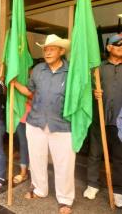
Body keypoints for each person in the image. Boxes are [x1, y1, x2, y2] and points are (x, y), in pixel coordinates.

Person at [13, 34, 74, 214]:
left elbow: (79, 95)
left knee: (64, 163)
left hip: (62, 125)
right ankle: (40, 189)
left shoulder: (71, 71)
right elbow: (30, 91)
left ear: (61, 51)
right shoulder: (38, 69)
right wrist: (14, 83)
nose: (47, 52)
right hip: (36, 122)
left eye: (51, 49)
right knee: (37, 159)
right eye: (45, 49)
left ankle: (65, 199)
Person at [83, 34, 122, 208]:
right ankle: (92, 184)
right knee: (95, 153)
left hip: (120, 122)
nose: (120, 47)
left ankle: (119, 190)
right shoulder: (97, 69)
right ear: (109, 47)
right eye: (117, 44)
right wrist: (93, 92)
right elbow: (85, 89)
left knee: (119, 157)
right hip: (100, 118)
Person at [13, 98, 31, 184]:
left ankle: (34, 172)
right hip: (21, 116)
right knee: (23, 144)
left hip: (35, 118)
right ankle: (23, 172)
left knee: (35, 146)